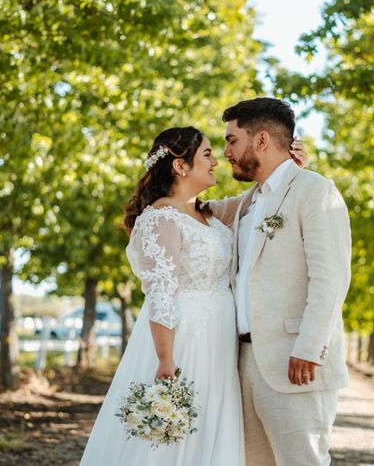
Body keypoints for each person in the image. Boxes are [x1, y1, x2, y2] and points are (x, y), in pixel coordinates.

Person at [81, 126, 305, 465]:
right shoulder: (160, 220)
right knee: (177, 438)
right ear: (180, 166)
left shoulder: (210, 214)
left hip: (220, 344)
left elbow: (258, 201)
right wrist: (165, 359)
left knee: (211, 432)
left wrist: (289, 170)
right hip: (186, 343)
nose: (217, 161)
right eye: (207, 154)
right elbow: (161, 295)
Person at [208, 97, 352, 466]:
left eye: (231, 140)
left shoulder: (315, 190)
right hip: (243, 363)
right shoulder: (247, 202)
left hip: (295, 360)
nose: (225, 151)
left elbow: (331, 276)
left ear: (260, 140)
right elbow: (196, 211)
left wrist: (310, 346)